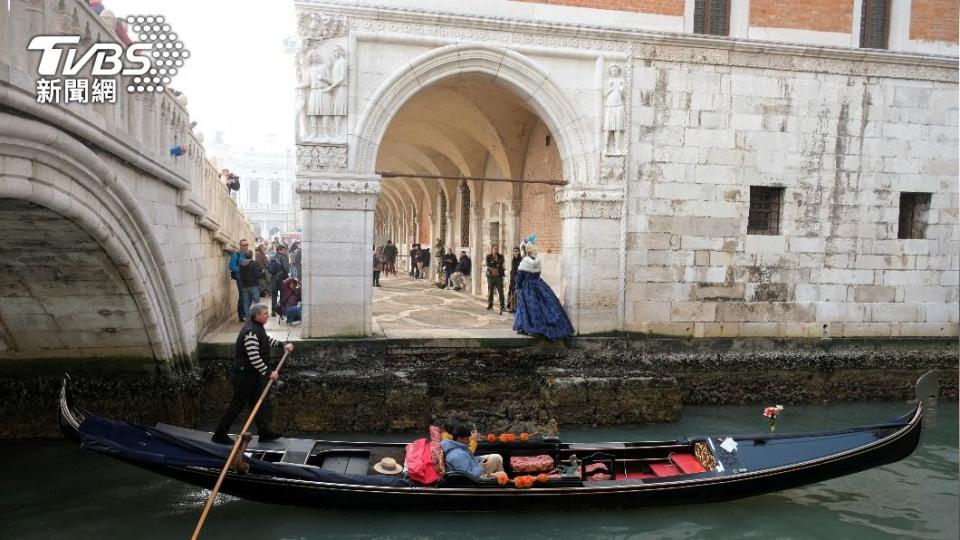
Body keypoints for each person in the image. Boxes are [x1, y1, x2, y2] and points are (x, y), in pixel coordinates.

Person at [212, 303, 294, 445]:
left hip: (253, 375)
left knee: (260, 403)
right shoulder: (250, 331)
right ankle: (219, 434)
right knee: (237, 405)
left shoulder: (257, 328)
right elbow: (254, 358)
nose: (268, 315)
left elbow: (265, 340)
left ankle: (264, 433)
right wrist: (269, 373)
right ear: (257, 316)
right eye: (265, 314)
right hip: (244, 376)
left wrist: (282, 345)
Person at [513, 240, 575, 341]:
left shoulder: (524, 262)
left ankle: (529, 328)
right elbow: (538, 274)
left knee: (526, 308)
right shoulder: (537, 261)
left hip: (527, 288)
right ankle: (528, 327)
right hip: (539, 284)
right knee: (542, 306)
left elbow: (520, 277)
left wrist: (517, 286)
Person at [228, 239, 250, 322]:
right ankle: (241, 315)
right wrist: (242, 270)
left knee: (249, 296)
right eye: (244, 245)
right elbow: (231, 267)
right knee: (243, 296)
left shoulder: (249, 254)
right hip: (240, 278)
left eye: (247, 244)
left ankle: (246, 313)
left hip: (249, 279)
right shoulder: (235, 254)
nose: (246, 246)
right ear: (240, 246)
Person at [238, 251, 264, 320]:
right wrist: (262, 273)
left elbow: (240, 274)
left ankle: (247, 317)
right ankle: (256, 316)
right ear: (252, 256)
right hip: (253, 285)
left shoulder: (241, 264)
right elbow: (257, 275)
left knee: (246, 302)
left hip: (244, 285)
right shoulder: (255, 264)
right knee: (256, 302)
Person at [268, 245, 290, 316]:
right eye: (284, 250)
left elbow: (268, 268)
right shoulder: (283, 257)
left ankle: (273, 311)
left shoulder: (272, 257)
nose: (285, 252)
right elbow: (287, 268)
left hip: (273, 278)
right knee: (283, 294)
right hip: (282, 278)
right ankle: (281, 310)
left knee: (274, 295)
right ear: (280, 250)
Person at [485, 244, 505, 311]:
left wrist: (493, 263)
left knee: (500, 291)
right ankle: (490, 305)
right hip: (490, 277)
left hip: (498, 277)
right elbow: (488, 264)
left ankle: (502, 305)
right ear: (492, 249)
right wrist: (495, 264)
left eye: (496, 248)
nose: (495, 250)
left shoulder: (501, 256)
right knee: (490, 291)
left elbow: (500, 263)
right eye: (494, 248)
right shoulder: (488, 256)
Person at [506, 246, 521, 313]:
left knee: (517, 293)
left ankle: (517, 308)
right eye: (514, 251)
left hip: (518, 278)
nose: (515, 252)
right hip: (512, 278)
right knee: (512, 291)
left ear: (519, 252)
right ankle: (512, 308)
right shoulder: (513, 260)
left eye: (516, 251)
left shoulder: (521, 260)